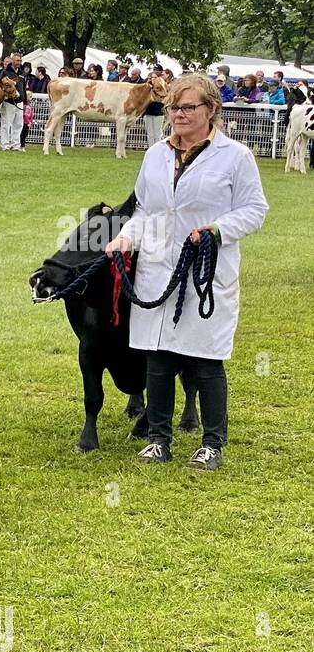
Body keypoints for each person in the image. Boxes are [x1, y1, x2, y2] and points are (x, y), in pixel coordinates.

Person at [106, 73, 267, 471]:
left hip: (205, 272)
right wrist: (125, 237)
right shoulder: (155, 155)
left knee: (206, 359)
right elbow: (146, 209)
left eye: (188, 107)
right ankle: (158, 439)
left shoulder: (236, 157)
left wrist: (217, 230)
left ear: (211, 109)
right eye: (173, 107)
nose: (178, 114)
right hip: (158, 268)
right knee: (158, 357)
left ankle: (212, 444)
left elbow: (254, 209)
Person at [0, 51, 29, 151]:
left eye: (20, 60)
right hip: (8, 101)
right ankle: (5, 145)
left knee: (18, 124)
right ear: (12, 61)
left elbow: (23, 87)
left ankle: (16, 145)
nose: (19, 62)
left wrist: (25, 101)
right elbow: (0, 86)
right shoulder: (5, 72)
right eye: (17, 60)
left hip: (20, 101)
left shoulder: (22, 73)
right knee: (6, 124)